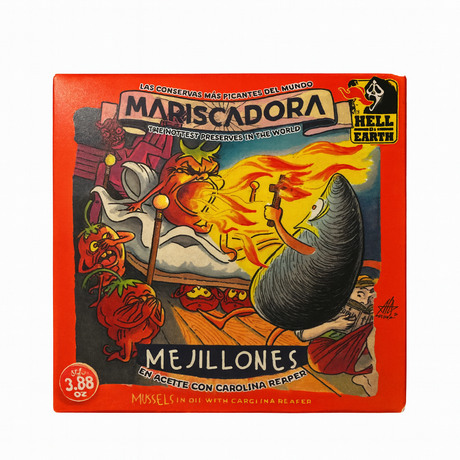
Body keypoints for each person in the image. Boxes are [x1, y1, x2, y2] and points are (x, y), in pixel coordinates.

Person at [296, 275, 379, 396]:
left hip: (356, 355)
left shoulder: (372, 307)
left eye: (371, 295)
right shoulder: (333, 306)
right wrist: (333, 324)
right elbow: (303, 334)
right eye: (360, 295)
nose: (365, 301)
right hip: (325, 355)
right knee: (372, 329)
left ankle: (368, 379)